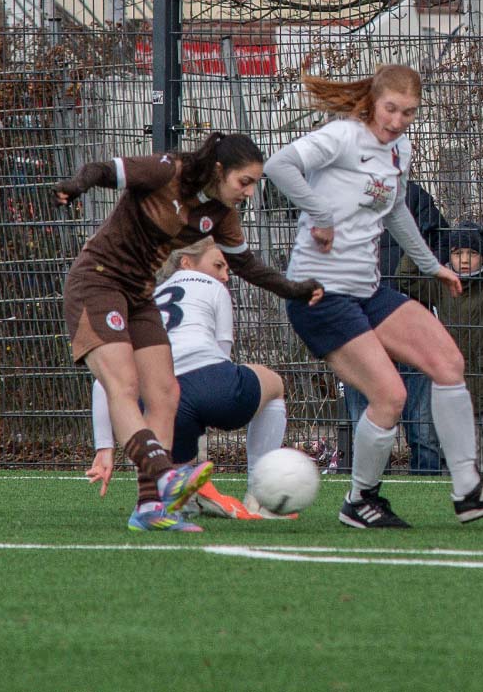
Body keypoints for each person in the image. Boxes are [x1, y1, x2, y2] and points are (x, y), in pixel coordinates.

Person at [263, 63, 483, 528]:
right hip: (320, 296)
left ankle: (468, 489)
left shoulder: (399, 150)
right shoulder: (343, 136)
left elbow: (396, 214)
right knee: (389, 396)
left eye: (409, 113)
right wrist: (320, 215)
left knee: (448, 363)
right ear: (373, 102)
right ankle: (359, 501)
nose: (398, 120)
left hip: (368, 292)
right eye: (391, 109)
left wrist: (433, 266)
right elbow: (278, 166)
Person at [54, 132, 323, 532]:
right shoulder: (169, 171)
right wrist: (76, 185)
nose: (250, 192)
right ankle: (165, 475)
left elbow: (248, 267)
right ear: (219, 170)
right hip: (97, 283)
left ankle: (150, 508)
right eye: (244, 181)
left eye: (255, 184)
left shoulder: (222, 215)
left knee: (166, 395)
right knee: (124, 386)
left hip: (139, 294)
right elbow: (103, 170)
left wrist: (295, 290)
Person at [86, 237, 296, 520]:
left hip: (163, 405)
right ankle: (259, 498)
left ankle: (186, 490)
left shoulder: (147, 299)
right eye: (219, 265)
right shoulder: (214, 288)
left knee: (170, 442)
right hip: (213, 386)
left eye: (227, 270)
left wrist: (104, 448)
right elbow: (221, 355)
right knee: (275, 385)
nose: (225, 276)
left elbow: (104, 383)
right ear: (187, 262)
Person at [397, 222, 483, 475]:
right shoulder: (441, 284)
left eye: (472, 253)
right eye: (458, 253)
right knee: (472, 465)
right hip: (459, 389)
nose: (465, 260)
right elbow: (406, 280)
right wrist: (419, 246)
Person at [342, 180, 448, 474]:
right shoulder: (340, 194)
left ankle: (426, 484)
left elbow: (442, 244)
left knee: (422, 425)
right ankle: (369, 485)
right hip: (359, 326)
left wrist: (416, 270)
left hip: (408, 323)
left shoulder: (413, 196)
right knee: (366, 423)